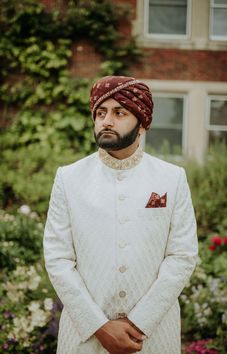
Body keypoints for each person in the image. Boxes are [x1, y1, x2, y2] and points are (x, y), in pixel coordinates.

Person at [43, 75, 198, 354]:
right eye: (100, 113)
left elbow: (183, 256)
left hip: (153, 336)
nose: (107, 121)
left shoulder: (172, 178)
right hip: (85, 336)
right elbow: (58, 259)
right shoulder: (69, 178)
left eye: (119, 112)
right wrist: (99, 327)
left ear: (143, 123)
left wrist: (140, 322)